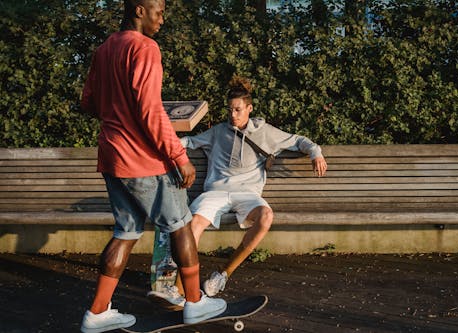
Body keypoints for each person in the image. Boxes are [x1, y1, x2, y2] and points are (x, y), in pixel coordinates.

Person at [79, 1, 226, 332]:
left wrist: (118, 116)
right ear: (139, 10)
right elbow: (150, 110)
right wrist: (179, 156)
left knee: (126, 231)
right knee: (180, 225)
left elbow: (88, 102)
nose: (162, 18)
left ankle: (98, 313)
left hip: (113, 158)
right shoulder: (144, 47)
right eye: (158, 10)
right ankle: (195, 304)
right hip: (144, 160)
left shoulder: (104, 50)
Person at [150, 75, 327, 305]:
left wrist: (315, 152)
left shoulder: (265, 132)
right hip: (214, 192)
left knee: (266, 217)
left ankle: (223, 274)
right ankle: (178, 290)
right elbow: (190, 142)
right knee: (192, 225)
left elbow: (298, 140)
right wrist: (168, 147)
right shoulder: (217, 132)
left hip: (248, 195)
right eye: (230, 110)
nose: (233, 115)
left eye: (238, 110)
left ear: (249, 108)